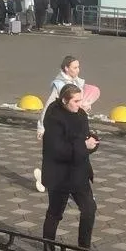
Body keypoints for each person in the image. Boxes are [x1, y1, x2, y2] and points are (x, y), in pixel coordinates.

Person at [40, 83, 99, 251]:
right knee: (55, 213)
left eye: (81, 100)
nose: (80, 104)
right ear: (65, 101)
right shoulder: (54, 118)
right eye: (76, 101)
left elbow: (84, 139)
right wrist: (83, 145)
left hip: (79, 172)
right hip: (59, 175)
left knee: (89, 209)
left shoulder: (81, 114)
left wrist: (92, 142)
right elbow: (58, 150)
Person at [34, 55, 88, 192]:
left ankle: (59, 182)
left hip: (74, 124)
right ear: (66, 68)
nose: (78, 70)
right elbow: (48, 106)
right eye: (75, 67)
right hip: (61, 125)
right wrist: (41, 127)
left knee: (73, 154)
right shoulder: (59, 85)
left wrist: (84, 106)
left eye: (78, 67)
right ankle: (48, 180)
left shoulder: (78, 82)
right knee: (61, 155)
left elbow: (78, 103)